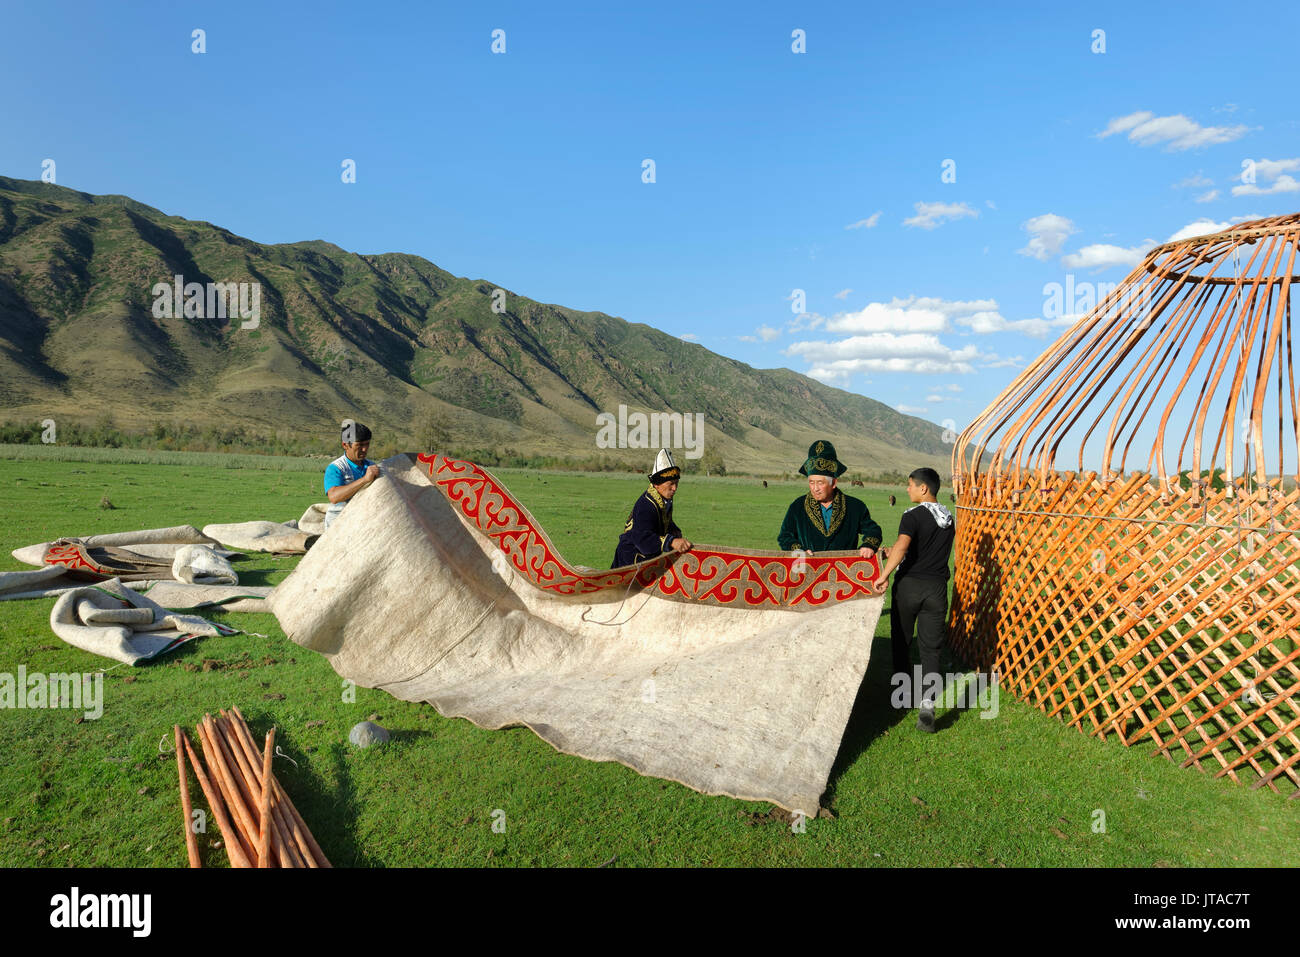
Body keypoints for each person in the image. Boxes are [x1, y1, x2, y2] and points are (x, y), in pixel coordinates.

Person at [871, 467, 955, 733]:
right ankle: (928, 704)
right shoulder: (947, 517)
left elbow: (905, 546)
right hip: (937, 589)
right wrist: (891, 551)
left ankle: (901, 697)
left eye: (910, 485)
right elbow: (923, 549)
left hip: (909, 587)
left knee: (902, 641)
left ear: (923, 488)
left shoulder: (912, 515)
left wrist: (884, 574)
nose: (906, 489)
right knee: (931, 649)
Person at [777, 440, 882, 557]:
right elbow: (785, 536)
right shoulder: (798, 506)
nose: (815, 488)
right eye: (811, 482)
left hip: (843, 571)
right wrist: (799, 550)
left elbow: (874, 530)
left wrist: (868, 545)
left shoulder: (855, 506)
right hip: (806, 569)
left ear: (833, 483)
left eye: (820, 483)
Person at [612, 449, 694, 567]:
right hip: (632, 559)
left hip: (648, 557)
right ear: (657, 484)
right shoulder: (646, 505)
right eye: (670, 484)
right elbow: (642, 538)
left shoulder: (664, 499)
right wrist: (671, 542)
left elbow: (663, 521)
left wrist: (674, 530)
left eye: (676, 483)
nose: (675, 488)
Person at [323, 420, 379, 528]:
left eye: (367, 444)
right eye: (360, 445)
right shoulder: (336, 468)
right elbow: (334, 497)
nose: (364, 449)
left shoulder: (372, 466)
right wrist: (365, 480)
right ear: (345, 445)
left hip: (362, 523)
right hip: (338, 525)